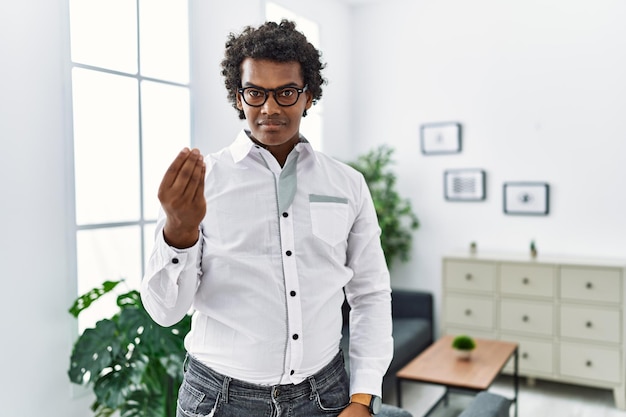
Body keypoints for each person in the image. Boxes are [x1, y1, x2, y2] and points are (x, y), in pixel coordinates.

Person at [140, 19, 393, 417]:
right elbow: (165, 312)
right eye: (256, 93)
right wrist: (179, 231)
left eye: (286, 93)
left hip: (324, 396)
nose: (270, 108)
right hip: (219, 401)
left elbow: (371, 293)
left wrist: (363, 397)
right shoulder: (201, 182)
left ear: (308, 97)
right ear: (238, 97)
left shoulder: (348, 184)